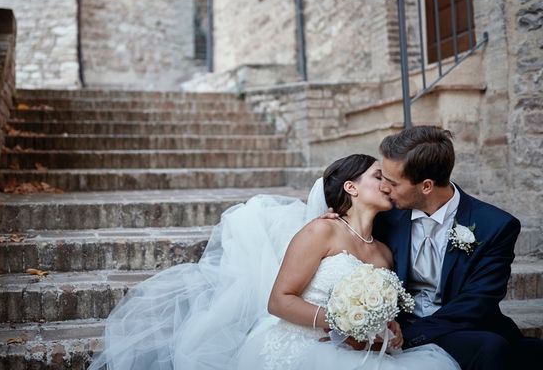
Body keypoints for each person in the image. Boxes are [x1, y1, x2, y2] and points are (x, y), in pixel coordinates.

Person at [90, 154, 459, 370]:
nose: (388, 184)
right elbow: (278, 300)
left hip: (357, 348)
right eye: (379, 176)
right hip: (303, 344)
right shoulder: (321, 232)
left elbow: (381, 308)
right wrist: (337, 321)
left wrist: (387, 326)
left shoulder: (384, 252)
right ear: (350, 187)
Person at [324, 125, 543, 369]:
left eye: (393, 183)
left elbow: (477, 302)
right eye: (382, 178)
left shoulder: (495, 226)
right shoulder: (386, 214)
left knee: (494, 347)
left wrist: (411, 336)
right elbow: (352, 226)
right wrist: (338, 219)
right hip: (398, 323)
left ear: (426, 186)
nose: (384, 188)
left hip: (458, 326)